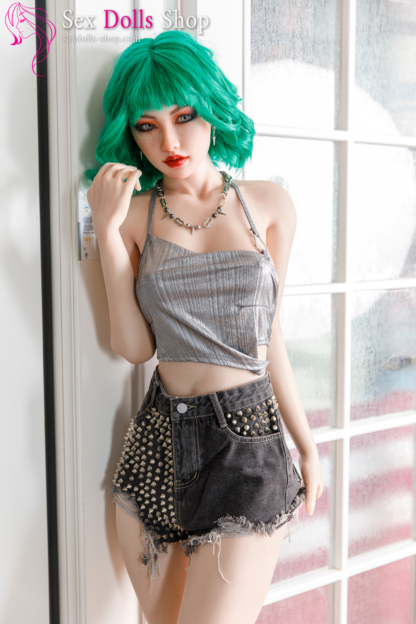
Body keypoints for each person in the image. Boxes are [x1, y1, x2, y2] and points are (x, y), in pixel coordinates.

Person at [85, 30, 323, 624]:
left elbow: (269, 337)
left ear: (212, 110)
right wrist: (107, 233)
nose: (169, 142)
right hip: (156, 442)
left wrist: (307, 444)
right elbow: (134, 346)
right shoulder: (132, 217)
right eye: (147, 126)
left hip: (245, 447)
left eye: (184, 116)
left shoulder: (269, 205)